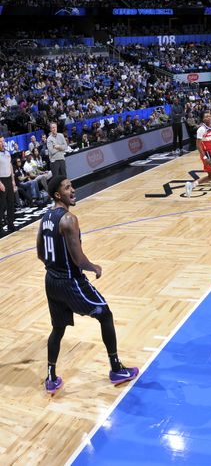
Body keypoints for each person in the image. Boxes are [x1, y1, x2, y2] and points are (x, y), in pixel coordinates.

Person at [37, 176, 139, 394]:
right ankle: (115, 368)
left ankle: (51, 376)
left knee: (58, 328)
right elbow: (78, 259)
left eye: (72, 186)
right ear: (57, 194)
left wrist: (54, 268)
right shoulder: (69, 219)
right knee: (105, 314)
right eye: (67, 188)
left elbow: (39, 253)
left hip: (51, 281)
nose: (73, 190)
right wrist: (94, 267)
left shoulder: (45, 218)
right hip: (70, 281)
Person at [0, 137, 17, 233]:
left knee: (11, 203)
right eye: (0, 141)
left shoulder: (7, 153)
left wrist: (13, 180)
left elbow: (10, 165)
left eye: (3, 141)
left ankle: (11, 225)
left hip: (9, 179)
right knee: (2, 205)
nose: (2, 143)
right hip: (1, 180)